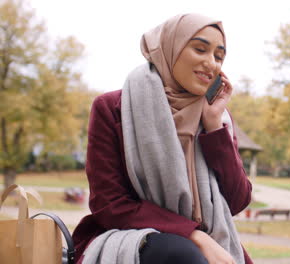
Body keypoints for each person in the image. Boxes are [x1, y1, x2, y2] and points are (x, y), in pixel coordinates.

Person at [72, 13, 253, 264]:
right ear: (171, 48)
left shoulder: (217, 118)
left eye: (219, 56)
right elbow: (109, 204)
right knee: (182, 254)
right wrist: (193, 235)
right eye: (200, 49)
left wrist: (214, 127)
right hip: (131, 237)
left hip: (208, 242)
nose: (211, 63)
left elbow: (237, 200)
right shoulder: (114, 107)